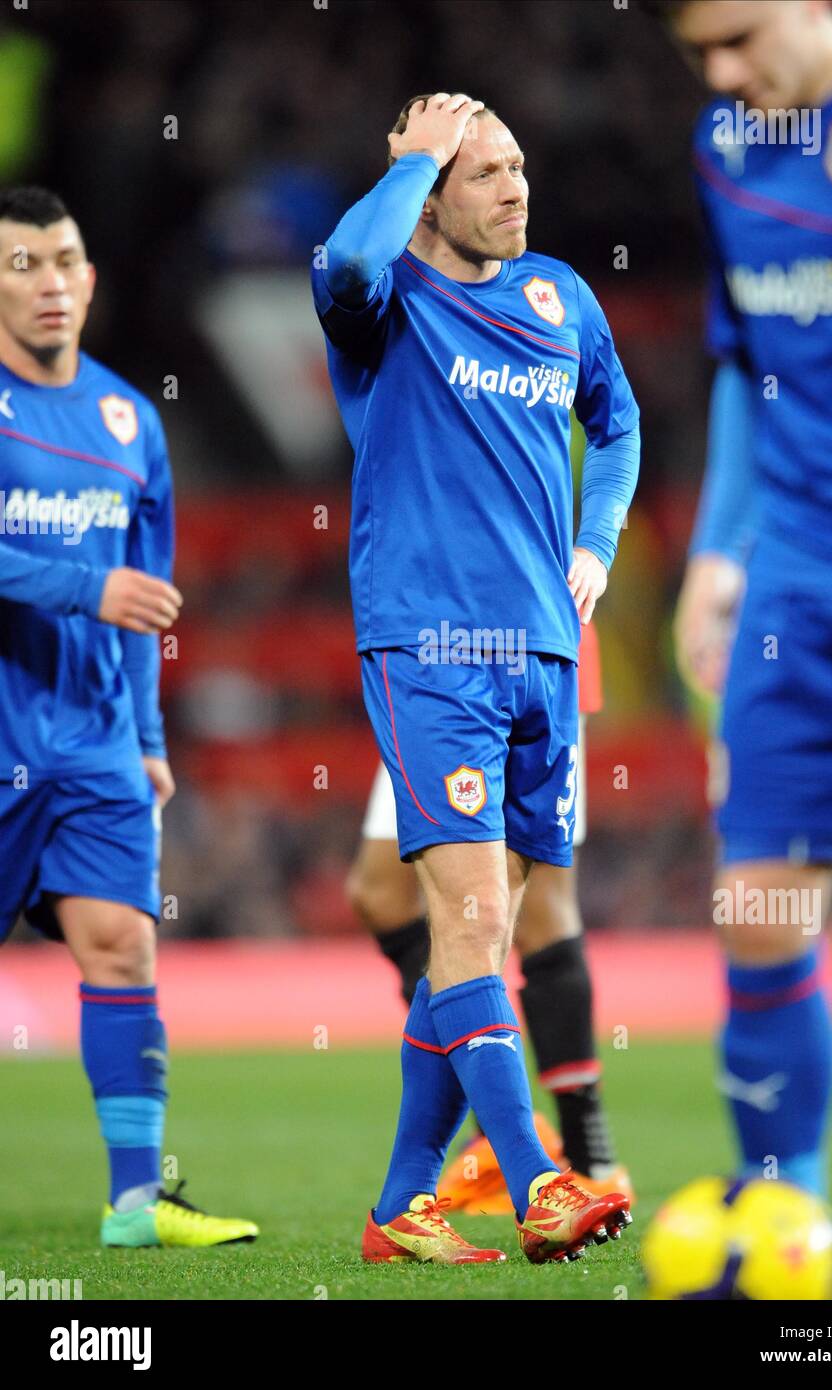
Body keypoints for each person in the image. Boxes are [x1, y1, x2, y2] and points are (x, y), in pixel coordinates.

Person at [313, 93, 640, 1263]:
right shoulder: (384, 300)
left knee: (479, 939)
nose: (515, 191)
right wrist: (408, 161)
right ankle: (545, 1175)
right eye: (485, 174)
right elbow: (352, 254)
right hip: (431, 649)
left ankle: (402, 1206)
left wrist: (594, 545)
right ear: (431, 193)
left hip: (545, 653)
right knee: (470, 914)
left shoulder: (563, 297)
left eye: (517, 168)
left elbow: (621, 419)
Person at [656, 0, 832, 1196]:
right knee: (759, 904)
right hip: (798, 568)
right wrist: (720, 551)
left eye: (737, 38)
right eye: (696, 55)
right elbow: (745, 358)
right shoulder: (728, 147)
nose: (723, 74)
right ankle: (786, 1210)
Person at [0, 186, 257, 1248]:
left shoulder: (129, 419)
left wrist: (149, 740)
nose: (49, 282)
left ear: (91, 277)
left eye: (64, 261)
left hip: (98, 738)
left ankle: (137, 1203)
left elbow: (146, 598)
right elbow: (101, 587)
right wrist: (78, 586)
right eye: (22, 265)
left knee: (122, 948)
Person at [347, 618, 633, 1213]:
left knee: (529, 906)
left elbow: (593, 526)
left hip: (534, 642)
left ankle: (588, 1156)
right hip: (434, 655)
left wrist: (597, 550)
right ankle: (499, 1128)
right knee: (382, 891)